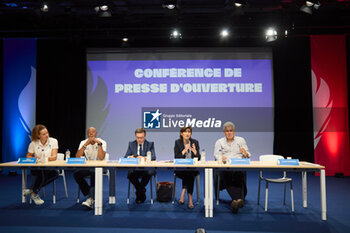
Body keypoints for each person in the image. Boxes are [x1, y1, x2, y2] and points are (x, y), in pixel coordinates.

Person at [214, 121, 250, 214]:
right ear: (224, 132)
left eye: (231, 130)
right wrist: (220, 157)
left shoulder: (241, 140)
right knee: (227, 174)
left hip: (238, 166)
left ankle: (236, 200)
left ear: (234, 131)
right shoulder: (219, 142)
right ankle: (237, 200)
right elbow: (216, 155)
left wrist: (244, 153)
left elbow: (247, 155)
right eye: (227, 131)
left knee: (239, 174)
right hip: (226, 167)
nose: (229, 132)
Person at [23, 124, 59, 205]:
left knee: (55, 174)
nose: (47, 135)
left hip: (49, 167)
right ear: (38, 136)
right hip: (37, 168)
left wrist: (44, 159)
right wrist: (34, 159)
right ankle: (34, 192)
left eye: (47, 133)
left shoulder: (53, 141)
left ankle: (32, 189)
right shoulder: (33, 143)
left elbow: (54, 157)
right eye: (44, 134)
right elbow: (28, 156)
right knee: (40, 172)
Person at [74, 127, 107, 209]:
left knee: (94, 172)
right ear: (87, 134)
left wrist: (99, 144)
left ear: (96, 133)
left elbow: (101, 157)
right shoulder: (83, 142)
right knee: (76, 174)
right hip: (87, 167)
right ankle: (90, 194)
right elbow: (77, 157)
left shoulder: (102, 142)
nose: (91, 134)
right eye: (89, 133)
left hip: (100, 167)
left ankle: (91, 199)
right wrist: (85, 145)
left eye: (93, 132)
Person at [125, 128, 156, 204]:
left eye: (141, 138)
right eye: (137, 137)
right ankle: (141, 190)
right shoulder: (131, 144)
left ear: (145, 136)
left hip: (146, 169)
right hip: (135, 169)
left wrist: (143, 158)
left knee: (149, 173)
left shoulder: (150, 144)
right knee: (130, 174)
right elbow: (126, 156)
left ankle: (139, 192)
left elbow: (153, 157)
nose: (139, 139)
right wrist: (131, 157)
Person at [174, 126, 201, 209]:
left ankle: (184, 191)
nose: (187, 133)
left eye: (189, 132)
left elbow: (198, 157)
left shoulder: (195, 142)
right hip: (181, 169)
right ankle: (190, 198)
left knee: (190, 171)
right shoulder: (178, 142)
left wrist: (195, 152)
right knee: (188, 172)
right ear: (181, 133)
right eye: (185, 132)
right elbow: (177, 157)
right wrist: (184, 150)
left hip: (192, 169)